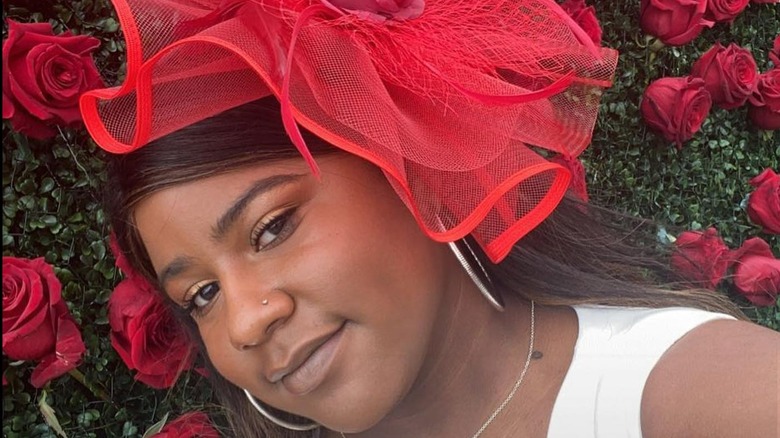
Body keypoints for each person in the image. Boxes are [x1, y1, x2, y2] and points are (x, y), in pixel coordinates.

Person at [81, 0, 779, 437]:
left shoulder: (699, 397)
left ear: (407, 161)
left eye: (271, 228)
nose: (243, 322)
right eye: (200, 295)